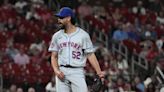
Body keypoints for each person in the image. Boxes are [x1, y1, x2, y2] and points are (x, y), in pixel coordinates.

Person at [48, 7, 104, 92]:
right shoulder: (57, 36)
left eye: (61, 18)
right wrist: (56, 71)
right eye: (58, 18)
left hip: (77, 71)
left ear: (68, 18)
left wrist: (99, 73)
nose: (59, 20)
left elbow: (90, 55)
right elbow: (54, 56)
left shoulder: (83, 35)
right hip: (62, 71)